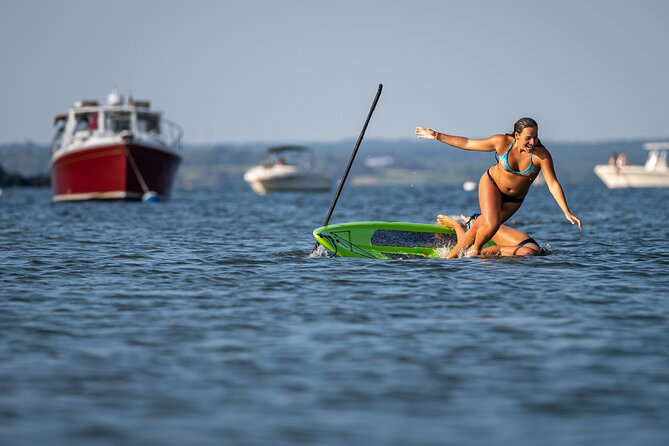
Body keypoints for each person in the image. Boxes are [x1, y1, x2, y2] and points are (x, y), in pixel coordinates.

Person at [416, 118, 582, 258]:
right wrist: (437, 135)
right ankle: (461, 255)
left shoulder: (541, 156)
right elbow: (468, 143)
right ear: (517, 135)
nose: (532, 142)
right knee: (491, 225)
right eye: (528, 138)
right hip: (492, 184)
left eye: (535, 137)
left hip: (514, 200)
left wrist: (566, 211)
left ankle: (466, 247)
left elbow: (552, 183)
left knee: (481, 226)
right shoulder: (502, 143)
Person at [437, 214, 543, 257]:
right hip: (524, 245)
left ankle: (466, 224)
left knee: (467, 253)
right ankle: (462, 225)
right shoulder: (528, 252)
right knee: (465, 252)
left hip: (524, 245)